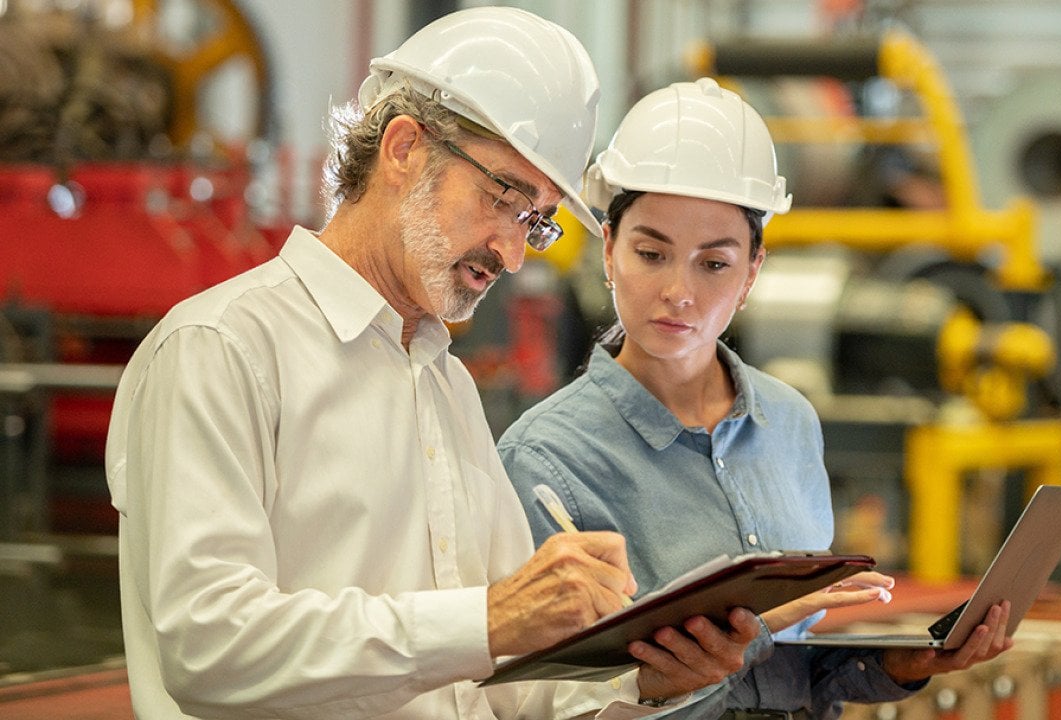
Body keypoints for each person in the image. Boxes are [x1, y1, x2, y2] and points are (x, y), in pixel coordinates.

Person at [104, 9, 761, 719]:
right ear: (404, 149)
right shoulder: (221, 350)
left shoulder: (443, 383)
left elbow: (512, 679)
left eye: (535, 221)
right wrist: (483, 622)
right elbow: (208, 647)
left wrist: (636, 684)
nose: (511, 254)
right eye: (504, 198)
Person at [497, 77, 1013, 720]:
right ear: (607, 249)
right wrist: (749, 631)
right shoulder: (547, 459)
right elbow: (558, 702)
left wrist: (895, 664)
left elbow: (797, 665)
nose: (678, 292)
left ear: (752, 272)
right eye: (651, 253)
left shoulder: (788, 422)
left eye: (713, 264)